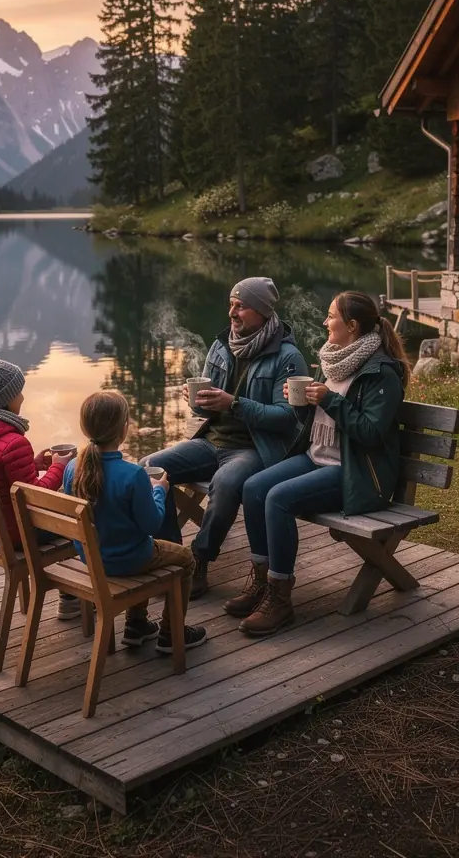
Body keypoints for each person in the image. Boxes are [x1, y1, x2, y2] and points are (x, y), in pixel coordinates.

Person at [226, 291, 410, 637]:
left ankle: (280, 599)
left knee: (277, 499)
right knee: (253, 488)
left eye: (331, 317)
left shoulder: (382, 372)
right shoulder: (337, 360)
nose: (325, 323)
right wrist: (302, 405)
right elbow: (320, 423)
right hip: (319, 458)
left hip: (357, 474)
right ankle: (262, 582)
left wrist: (330, 400)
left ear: (352, 326)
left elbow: (370, 432)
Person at [141, 277, 307, 600]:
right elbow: (209, 404)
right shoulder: (222, 345)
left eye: (240, 305)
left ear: (260, 310)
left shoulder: (287, 357)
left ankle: (200, 559)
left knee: (226, 483)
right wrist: (196, 402)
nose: (232, 311)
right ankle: (176, 561)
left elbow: (287, 418)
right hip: (210, 440)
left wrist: (234, 403)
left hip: (253, 447)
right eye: (231, 303)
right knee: (151, 467)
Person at [63, 390, 207, 653]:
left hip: (92, 558)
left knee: (141, 542)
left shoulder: (73, 467)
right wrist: (159, 491)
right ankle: (171, 633)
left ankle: (137, 626)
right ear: (123, 429)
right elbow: (151, 524)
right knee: (185, 558)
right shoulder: (133, 475)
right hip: (129, 559)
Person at [0, 352, 80, 620]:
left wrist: (32, 464)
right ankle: (72, 598)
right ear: (6, 400)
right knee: (78, 521)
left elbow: (3, 481)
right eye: (18, 392)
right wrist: (60, 466)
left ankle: (70, 597)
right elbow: (35, 497)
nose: (22, 397)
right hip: (15, 535)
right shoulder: (13, 442)